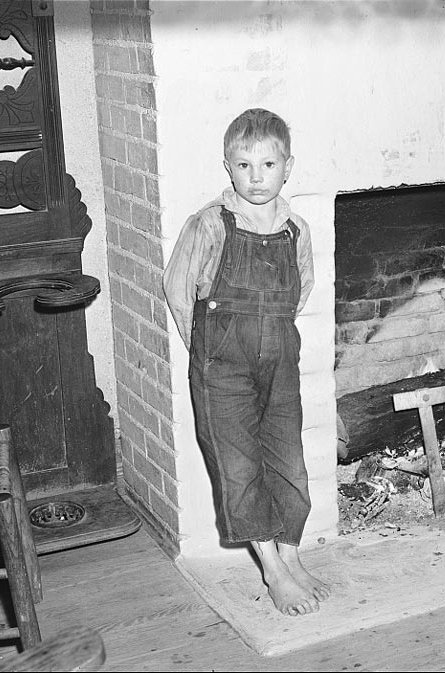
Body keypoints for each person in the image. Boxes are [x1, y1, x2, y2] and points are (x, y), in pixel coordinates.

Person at [163, 109, 329, 617]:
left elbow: (301, 288)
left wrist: (269, 335)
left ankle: (293, 555)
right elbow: (177, 288)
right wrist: (210, 352)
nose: (256, 177)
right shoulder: (211, 224)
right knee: (240, 465)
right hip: (223, 364)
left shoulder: (296, 229)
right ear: (227, 168)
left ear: (287, 167)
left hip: (279, 357)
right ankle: (273, 570)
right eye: (243, 166)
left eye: (268, 164)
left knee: (288, 460)